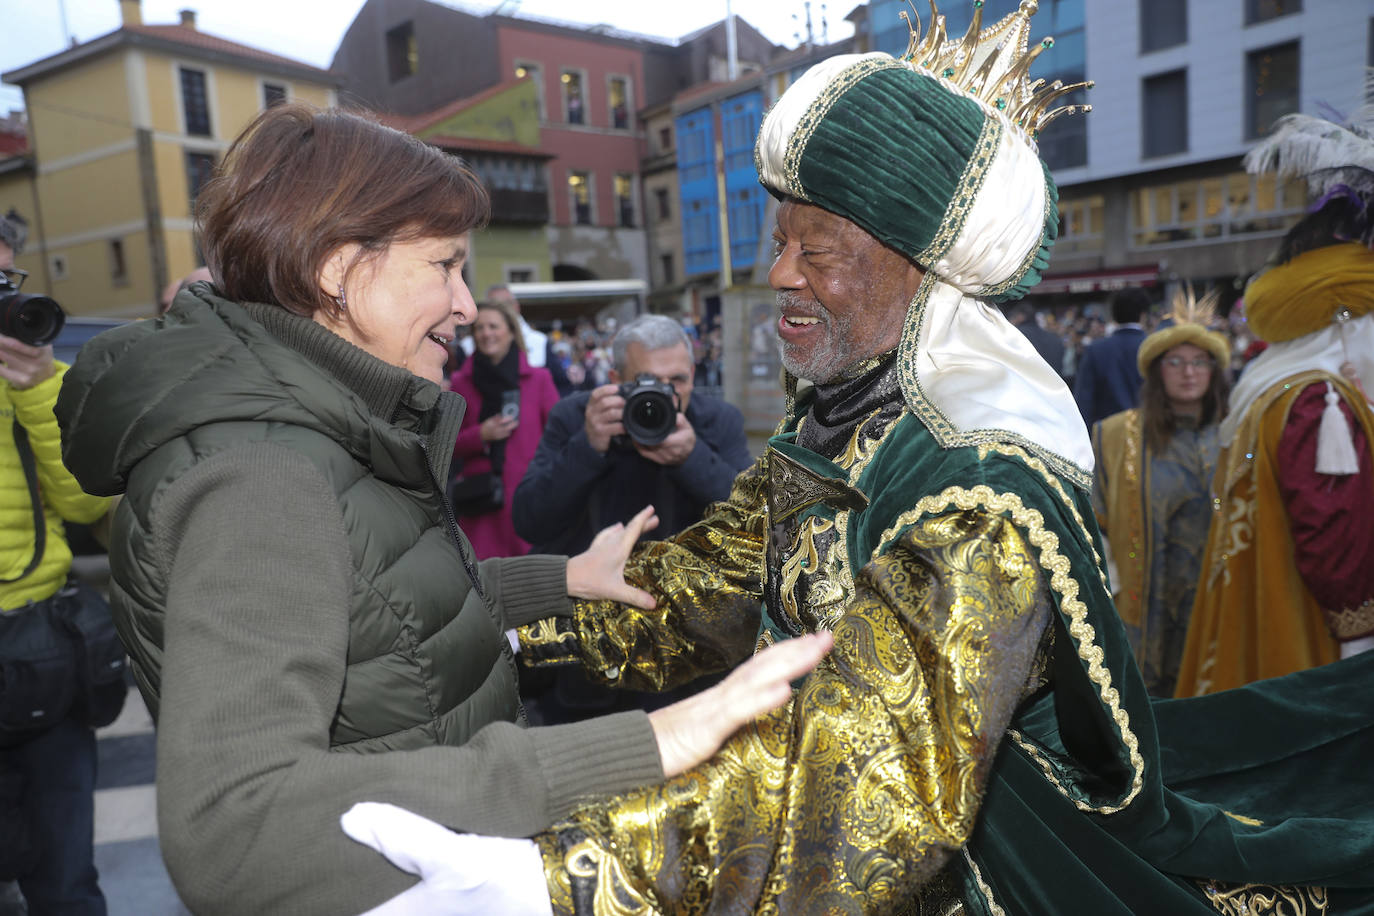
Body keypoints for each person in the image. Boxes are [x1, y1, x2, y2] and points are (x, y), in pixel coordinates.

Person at [345, 4, 1374, 914]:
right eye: (779, 240)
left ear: (921, 272)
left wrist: (572, 882)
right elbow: (707, 587)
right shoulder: (838, 418)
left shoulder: (985, 484)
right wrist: (495, 636)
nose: (778, 273)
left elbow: (876, 768)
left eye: (819, 250)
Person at [51, 102, 832, 916]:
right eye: (443, 266)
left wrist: (561, 578)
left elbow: (385, 610)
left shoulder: (325, 424)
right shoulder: (261, 474)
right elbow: (234, 829)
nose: (464, 304)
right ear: (338, 269)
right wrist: (651, 740)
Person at [1175, 111, 1374, 697]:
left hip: (1267, 623)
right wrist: (1361, 636)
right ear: (1347, 322)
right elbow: (1335, 545)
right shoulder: (1320, 400)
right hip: (1318, 644)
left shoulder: (1273, 389)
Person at [512, 314, 752, 722]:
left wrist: (693, 458)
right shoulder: (578, 417)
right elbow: (530, 520)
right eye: (647, 383)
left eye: (677, 381)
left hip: (690, 652)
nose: (664, 396)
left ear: (693, 376)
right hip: (591, 651)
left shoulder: (717, 421)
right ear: (614, 380)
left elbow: (751, 526)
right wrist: (588, 447)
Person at [1, 211, 112, 915]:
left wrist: (39, 390)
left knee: (66, 882)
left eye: (4, 279)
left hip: (40, 647)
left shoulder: (45, 378)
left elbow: (85, 500)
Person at [1091, 288, 1230, 696]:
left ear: (1214, 371)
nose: (1189, 373)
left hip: (1215, 598)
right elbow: (1095, 524)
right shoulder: (1116, 436)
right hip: (1143, 604)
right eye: (1176, 362)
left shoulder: (1236, 435)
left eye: (1199, 362)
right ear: (1157, 371)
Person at [449, 299, 560, 559]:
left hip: (529, 497)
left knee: (534, 575)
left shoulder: (539, 379)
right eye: (480, 328)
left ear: (511, 331)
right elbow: (447, 442)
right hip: (483, 502)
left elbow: (558, 435)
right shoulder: (461, 382)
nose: (486, 333)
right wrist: (481, 435)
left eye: (493, 326)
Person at [461, 284, 572, 395]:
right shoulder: (466, 347)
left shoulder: (540, 342)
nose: (487, 334)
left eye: (506, 304)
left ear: (516, 306)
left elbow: (561, 387)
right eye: (494, 305)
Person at [1074, 286, 1150, 427]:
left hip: (1106, 432)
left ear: (1113, 316)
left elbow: (1084, 400)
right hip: (1148, 430)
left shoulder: (1095, 350)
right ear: (1143, 315)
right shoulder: (1153, 347)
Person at [1006, 299, 1064, 377]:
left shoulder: (1015, 336)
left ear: (1020, 317)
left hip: (1025, 382)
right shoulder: (1055, 339)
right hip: (1052, 382)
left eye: (1012, 318)